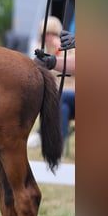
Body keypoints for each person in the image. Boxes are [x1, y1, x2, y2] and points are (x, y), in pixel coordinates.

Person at [29, 16, 75, 152]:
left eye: (52, 34)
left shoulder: (68, 47)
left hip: (70, 89)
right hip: (54, 93)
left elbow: (74, 69)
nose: (49, 37)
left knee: (60, 100)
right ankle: (57, 144)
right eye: (46, 34)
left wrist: (59, 51)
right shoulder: (41, 49)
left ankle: (42, 135)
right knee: (63, 107)